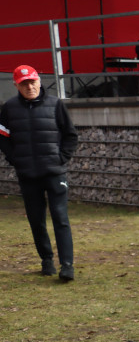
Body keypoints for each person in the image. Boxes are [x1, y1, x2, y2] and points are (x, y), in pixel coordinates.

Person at [0, 64, 79, 280]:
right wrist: (15, 160)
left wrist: (61, 158)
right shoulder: (8, 108)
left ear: (39, 81)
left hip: (54, 173)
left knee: (60, 217)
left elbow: (71, 135)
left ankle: (67, 265)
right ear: (16, 85)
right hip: (28, 175)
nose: (29, 87)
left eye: (32, 82)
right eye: (24, 84)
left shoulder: (56, 105)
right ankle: (46, 260)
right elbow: (3, 137)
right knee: (36, 220)